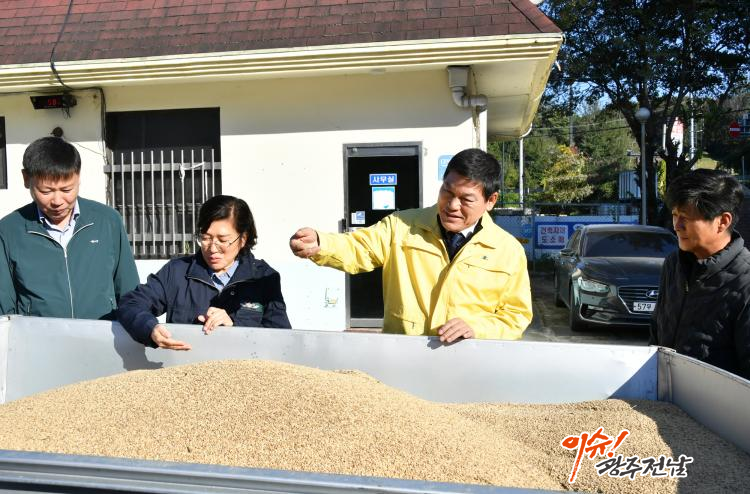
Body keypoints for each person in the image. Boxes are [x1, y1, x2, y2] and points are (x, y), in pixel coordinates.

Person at [289, 148, 532, 343]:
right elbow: (359, 247)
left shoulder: (508, 251)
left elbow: (516, 316)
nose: (452, 205)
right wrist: (321, 243)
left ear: (490, 201)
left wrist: (477, 328)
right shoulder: (401, 226)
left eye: (466, 199)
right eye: (447, 192)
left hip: (469, 363)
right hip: (403, 354)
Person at [118, 194, 291, 350]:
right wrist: (150, 328)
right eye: (206, 238)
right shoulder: (177, 272)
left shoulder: (263, 278)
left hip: (245, 370)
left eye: (223, 240)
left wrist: (235, 326)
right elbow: (131, 304)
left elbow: (281, 338)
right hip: (187, 368)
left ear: (243, 239)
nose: (212, 248)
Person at [0, 136, 139, 319]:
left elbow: (130, 292)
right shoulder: (9, 230)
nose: (57, 201)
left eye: (66, 190)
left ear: (78, 177)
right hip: (38, 336)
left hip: (102, 334)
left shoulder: (107, 221)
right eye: (46, 191)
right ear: (26, 179)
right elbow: (4, 309)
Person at [650, 169, 750, 379]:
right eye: (674, 215)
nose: (677, 226)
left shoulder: (745, 280)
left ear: (722, 221)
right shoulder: (673, 264)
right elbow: (656, 333)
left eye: (685, 217)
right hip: (666, 395)